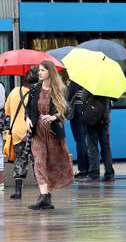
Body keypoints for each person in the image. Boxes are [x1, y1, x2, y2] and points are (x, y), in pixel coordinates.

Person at [26, 61, 74, 210]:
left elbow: (68, 111)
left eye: (42, 70)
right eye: (39, 70)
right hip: (37, 132)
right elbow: (28, 108)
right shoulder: (35, 89)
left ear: (49, 72)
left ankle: (47, 196)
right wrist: (27, 118)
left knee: (51, 163)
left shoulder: (59, 89)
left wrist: (55, 117)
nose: (39, 73)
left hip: (53, 133)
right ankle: (44, 196)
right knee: (39, 162)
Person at [5, 67, 39, 199]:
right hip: (32, 131)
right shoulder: (35, 94)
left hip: (17, 133)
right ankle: (43, 191)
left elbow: (7, 111)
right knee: (37, 161)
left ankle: (18, 191)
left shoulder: (14, 91)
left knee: (19, 161)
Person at [80, 92, 115, 182]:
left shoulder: (90, 85)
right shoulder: (108, 87)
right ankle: (109, 173)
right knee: (106, 147)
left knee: (92, 147)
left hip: (93, 118)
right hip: (105, 119)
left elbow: (82, 98)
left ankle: (94, 173)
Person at [66, 81, 90, 179]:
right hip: (89, 112)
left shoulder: (75, 80)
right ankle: (89, 167)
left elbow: (67, 96)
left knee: (80, 141)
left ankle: (82, 168)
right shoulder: (91, 80)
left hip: (77, 113)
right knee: (86, 141)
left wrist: (68, 86)